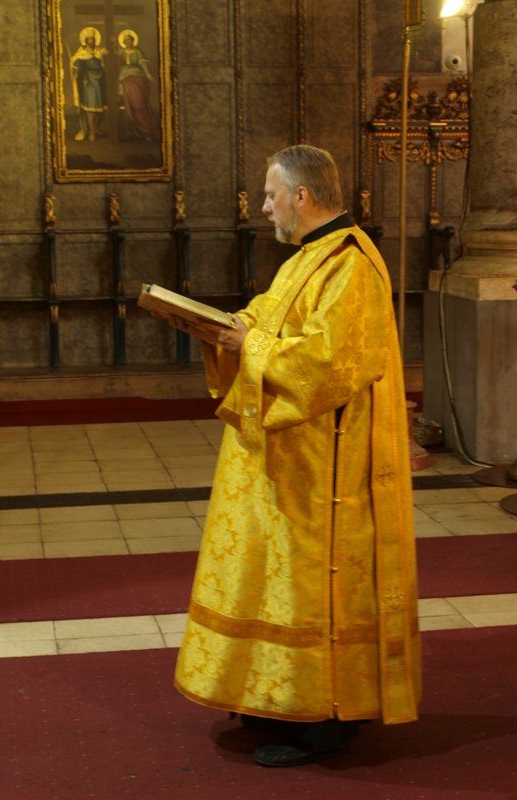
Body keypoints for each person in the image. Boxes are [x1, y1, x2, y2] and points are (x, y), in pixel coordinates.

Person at [169, 144, 420, 767]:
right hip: (291, 460)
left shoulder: (350, 264)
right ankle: (272, 695)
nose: (264, 207)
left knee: (312, 588)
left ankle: (326, 719)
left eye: (271, 195)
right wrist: (223, 326)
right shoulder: (310, 257)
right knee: (273, 582)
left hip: (325, 472)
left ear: (301, 196)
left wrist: (248, 345)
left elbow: (331, 363)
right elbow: (273, 319)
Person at [116, 29, 160, 141]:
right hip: (124, 80)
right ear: (123, 42)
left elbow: (143, 64)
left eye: (130, 40)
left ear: (133, 41)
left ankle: (147, 130)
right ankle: (132, 132)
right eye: (126, 41)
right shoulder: (120, 52)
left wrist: (148, 74)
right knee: (127, 106)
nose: (128, 42)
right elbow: (116, 64)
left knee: (139, 105)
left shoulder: (138, 52)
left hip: (138, 79)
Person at [70, 27, 107, 142]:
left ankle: (95, 129)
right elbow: (77, 66)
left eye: (93, 39)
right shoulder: (81, 54)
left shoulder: (98, 52)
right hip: (89, 83)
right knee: (91, 109)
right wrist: (75, 67)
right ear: (85, 41)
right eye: (90, 39)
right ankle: (91, 133)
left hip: (99, 83)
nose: (92, 41)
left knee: (99, 109)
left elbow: (105, 62)